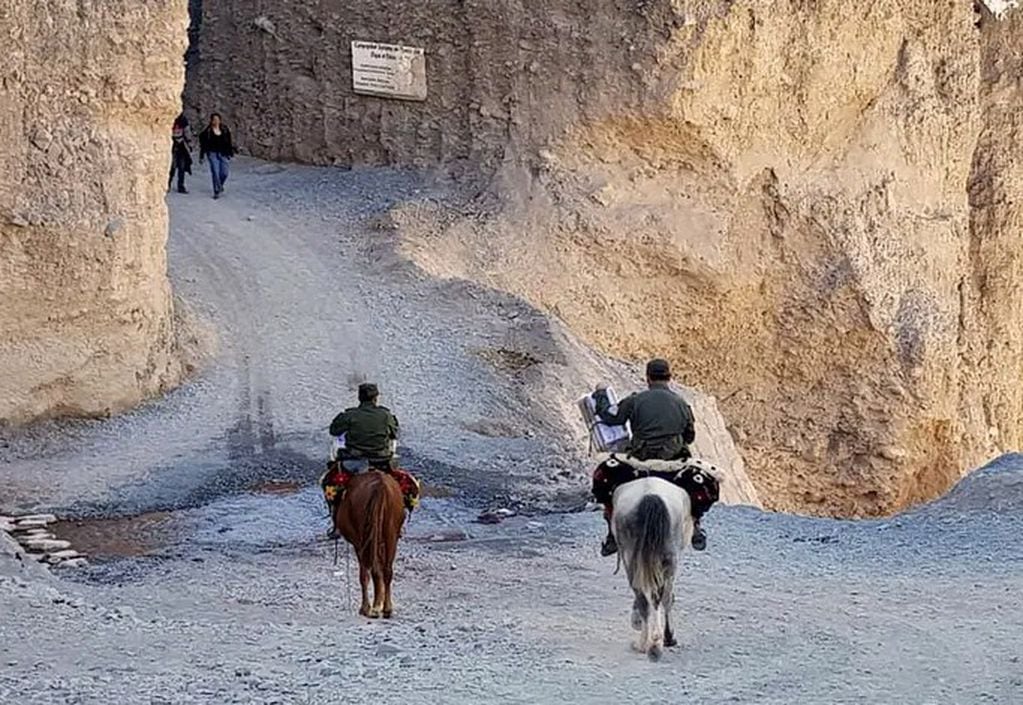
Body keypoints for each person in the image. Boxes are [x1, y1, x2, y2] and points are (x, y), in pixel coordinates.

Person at [592, 358, 705, 556]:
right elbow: (690, 437)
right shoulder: (682, 404)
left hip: (640, 459)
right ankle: (696, 525)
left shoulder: (635, 400)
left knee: (605, 480)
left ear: (648, 378)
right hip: (673, 461)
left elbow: (611, 418)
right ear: (669, 377)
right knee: (699, 484)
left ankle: (612, 532)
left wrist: (601, 396)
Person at [324, 383, 400, 538]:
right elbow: (395, 434)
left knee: (328, 482)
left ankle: (337, 524)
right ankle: (398, 523)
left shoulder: (350, 415)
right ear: (376, 398)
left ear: (359, 398)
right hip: (382, 462)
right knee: (403, 485)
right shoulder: (386, 415)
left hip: (354, 463)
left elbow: (334, 430)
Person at [198, 112, 235, 199]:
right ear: (211, 121)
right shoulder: (207, 132)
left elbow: (229, 142)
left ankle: (220, 185)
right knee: (215, 171)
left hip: (223, 153)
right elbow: (203, 145)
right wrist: (202, 156)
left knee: (225, 173)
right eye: (214, 120)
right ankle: (216, 191)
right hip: (212, 153)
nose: (216, 121)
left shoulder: (225, 130)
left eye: (217, 119)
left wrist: (230, 153)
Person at [168, 114, 192, 194]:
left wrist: (189, 143)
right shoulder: (169, 118)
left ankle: (180, 185)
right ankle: (168, 184)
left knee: (181, 167)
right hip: (172, 144)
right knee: (172, 167)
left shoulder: (183, 120)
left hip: (181, 146)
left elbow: (187, 132)